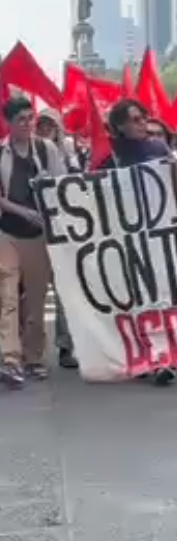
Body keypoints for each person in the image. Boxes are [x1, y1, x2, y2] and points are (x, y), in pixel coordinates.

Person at [102, 100, 174, 385]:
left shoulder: (159, 148)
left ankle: (161, 357)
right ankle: (139, 356)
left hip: (157, 233)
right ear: (119, 125)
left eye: (143, 116)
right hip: (123, 236)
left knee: (160, 296)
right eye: (134, 119)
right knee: (133, 299)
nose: (142, 122)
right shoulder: (109, 152)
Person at [0, 96, 66, 386]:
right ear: (9, 123)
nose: (28, 125)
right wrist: (20, 210)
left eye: (31, 118)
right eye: (21, 120)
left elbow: (62, 184)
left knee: (36, 300)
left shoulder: (46, 148)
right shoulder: (1, 153)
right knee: (8, 295)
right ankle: (9, 359)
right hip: (7, 232)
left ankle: (34, 358)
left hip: (40, 235)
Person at [35, 109, 80, 371]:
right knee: (31, 292)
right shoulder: (29, 153)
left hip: (63, 232)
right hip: (33, 232)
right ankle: (30, 350)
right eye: (41, 124)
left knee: (64, 291)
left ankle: (66, 346)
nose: (44, 129)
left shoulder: (67, 155)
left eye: (49, 125)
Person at [101, 100, 171, 169]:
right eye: (136, 119)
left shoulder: (159, 146)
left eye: (144, 117)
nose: (143, 122)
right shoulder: (108, 152)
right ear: (120, 126)